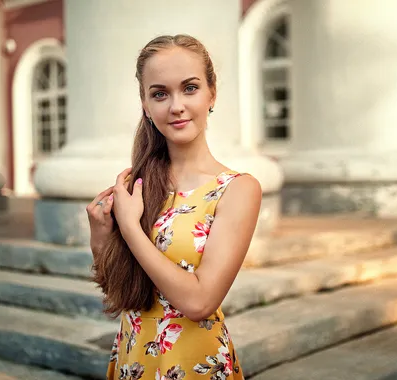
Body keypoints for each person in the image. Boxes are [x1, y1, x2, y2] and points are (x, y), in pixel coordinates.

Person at [86, 34, 261, 380]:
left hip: (194, 363)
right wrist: (100, 237)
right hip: (134, 358)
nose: (176, 105)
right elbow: (120, 290)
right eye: (160, 93)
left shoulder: (238, 189)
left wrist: (131, 228)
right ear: (145, 105)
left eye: (190, 88)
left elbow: (200, 302)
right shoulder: (136, 184)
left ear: (212, 94)